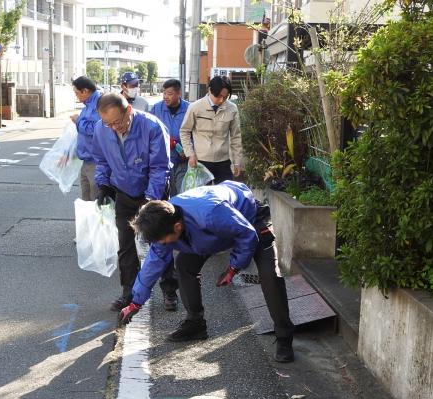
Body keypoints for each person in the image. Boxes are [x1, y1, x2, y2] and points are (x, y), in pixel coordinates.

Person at [118, 181, 297, 363]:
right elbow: (153, 264)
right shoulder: (164, 222)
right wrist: (136, 303)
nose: (162, 245)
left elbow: (247, 235)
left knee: (270, 276)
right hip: (209, 233)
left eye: (164, 241)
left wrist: (233, 267)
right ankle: (195, 323)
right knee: (184, 264)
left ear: (177, 227)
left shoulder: (211, 213)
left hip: (250, 221)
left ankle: (284, 337)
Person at [87, 93, 179, 311]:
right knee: (125, 245)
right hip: (124, 192)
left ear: (128, 110)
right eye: (108, 124)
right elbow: (101, 160)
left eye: (117, 122)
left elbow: (160, 167)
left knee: (161, 242)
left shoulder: (152, 127)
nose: (114, 128)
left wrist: (150, 199)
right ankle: (128, 292)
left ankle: (169, 290)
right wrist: (103, 185)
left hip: (153, 194)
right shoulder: (101, 129)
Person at [179, 75, 244, 184]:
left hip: (223, 161)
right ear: (210, 90)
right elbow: (184, 131)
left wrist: (237, 162)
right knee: (203, 194)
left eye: (225, 97)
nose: (221, 100)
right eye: (218, 96)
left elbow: (236, 136)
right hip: (200, 161)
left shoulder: (232, 109)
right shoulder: (195, 107)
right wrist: (190, 154)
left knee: (225, 192)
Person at [150, 79, 190, 196]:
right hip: (162, 161)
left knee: (182, 193)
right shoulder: (157, 108)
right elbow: (150, 131)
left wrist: (188, 149)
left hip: (183, 161)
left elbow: (196, 132)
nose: (165, 97)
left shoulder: (189, 109)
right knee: (166, 194)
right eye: (164, 93)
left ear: (179, 94)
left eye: (169, 94)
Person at [71, 76, 102, 201]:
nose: (76, 96)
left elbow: (96, 129)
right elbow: (82, 135)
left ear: (85, 91)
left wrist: (78, 121)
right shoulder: (87, 106)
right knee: (86, 201)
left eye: (76, 93)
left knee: (96, 202)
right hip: (86, 160)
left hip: (97, 162)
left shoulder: (99, 104)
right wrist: (70, 153)